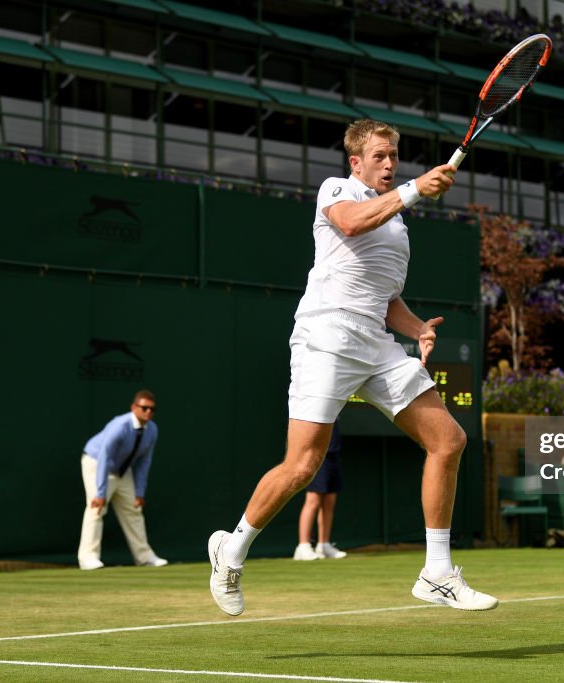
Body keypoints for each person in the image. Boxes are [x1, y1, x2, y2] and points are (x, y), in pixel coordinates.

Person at [206, 119, 497, 616]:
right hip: (327, 337)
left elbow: (385, 301)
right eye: (380, 156)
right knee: (302, 464)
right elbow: (350, 223)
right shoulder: (338, 191)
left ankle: (437, 572)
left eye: (394, 156)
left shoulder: (398, 223)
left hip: (376, 342)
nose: (389, 164)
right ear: (356, 161)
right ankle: (231, 549)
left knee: (448, 440)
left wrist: (417, 329)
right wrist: (413, 189)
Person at [77, 390, 167, 570]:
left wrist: (140, 492)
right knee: (96, 508)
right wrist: (101, 493)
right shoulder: (120, 425)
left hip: (122, 470)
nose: (148, 412)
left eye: (152, 409)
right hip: (96, 463)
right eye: (144, 408)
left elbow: (144, 462)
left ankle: (144, 557)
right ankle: (88, 558)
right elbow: (104, 455)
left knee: (134, 509)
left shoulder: (152, 430)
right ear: (134, 408)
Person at [293, 425, 347, 561]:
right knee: (313, 501)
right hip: (317, 457)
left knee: (329, 502)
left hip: (333, 457)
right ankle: (303, 546)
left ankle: (324, 544)